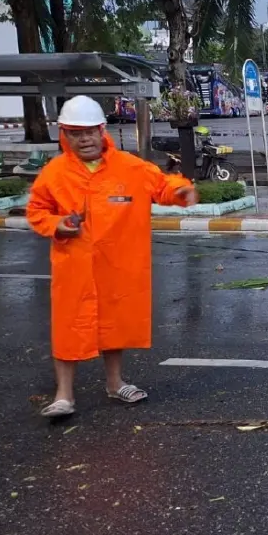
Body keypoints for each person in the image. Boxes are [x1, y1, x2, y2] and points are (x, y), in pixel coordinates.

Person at [27, 96, 199, 418]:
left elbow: (162, 186)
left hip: (117, 263)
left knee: (114, 323)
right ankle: (64, 395)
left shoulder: (129, 167)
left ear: (101, 130)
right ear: (65, 135)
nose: (84, 139)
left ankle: (115, 383)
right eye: (75, 133)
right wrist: (57, 225)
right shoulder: (55, 173)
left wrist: (180, 190)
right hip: (74, 265)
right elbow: (37, 210)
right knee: (68, 328)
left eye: (89, 132)